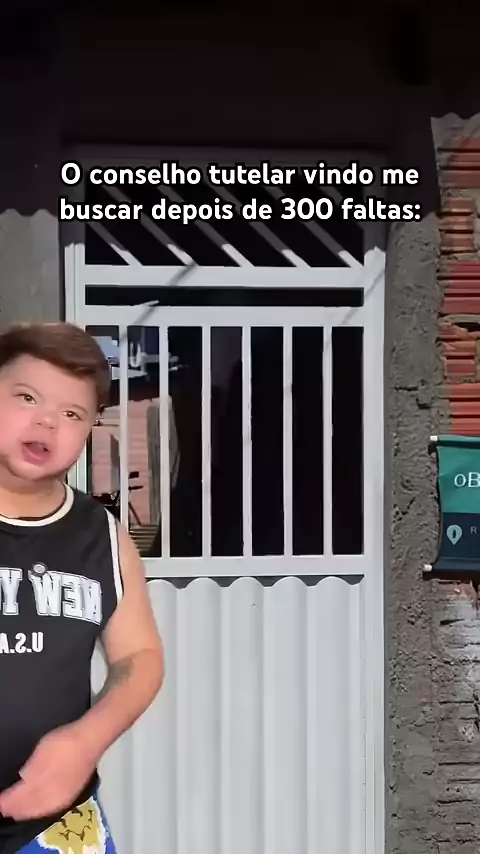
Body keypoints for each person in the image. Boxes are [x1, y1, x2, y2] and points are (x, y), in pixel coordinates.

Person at [0, 322, 165, 854]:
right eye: (27, 397)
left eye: (72, 414)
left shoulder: (103, 538)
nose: (47, 422)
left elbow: (140, 657)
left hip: (56, 827)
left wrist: (86, 741)